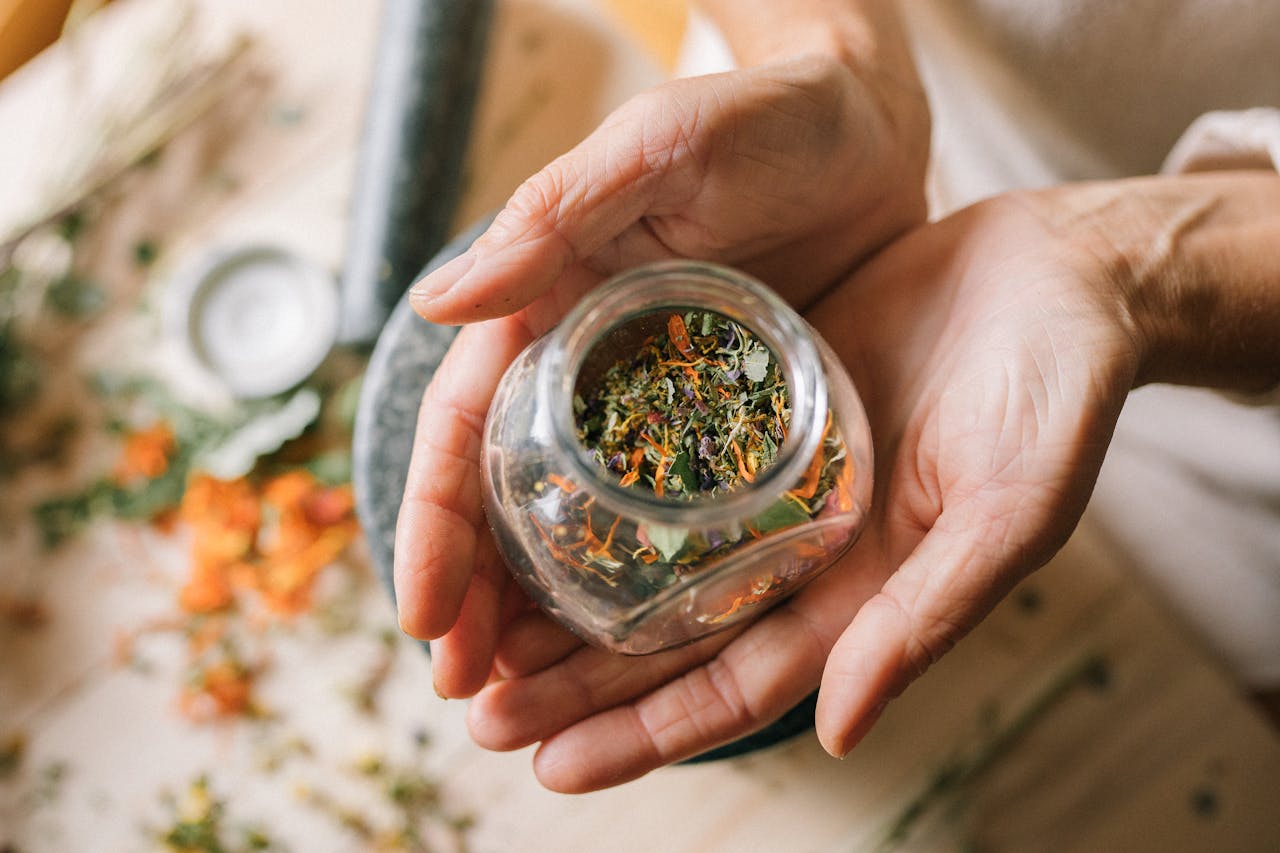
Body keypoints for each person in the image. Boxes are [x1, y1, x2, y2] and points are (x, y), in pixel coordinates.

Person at [391, 0, 1280, 793]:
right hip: (774, 200)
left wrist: (1132, 267)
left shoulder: (825, 436)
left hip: (1232, 359)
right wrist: (836, 56)